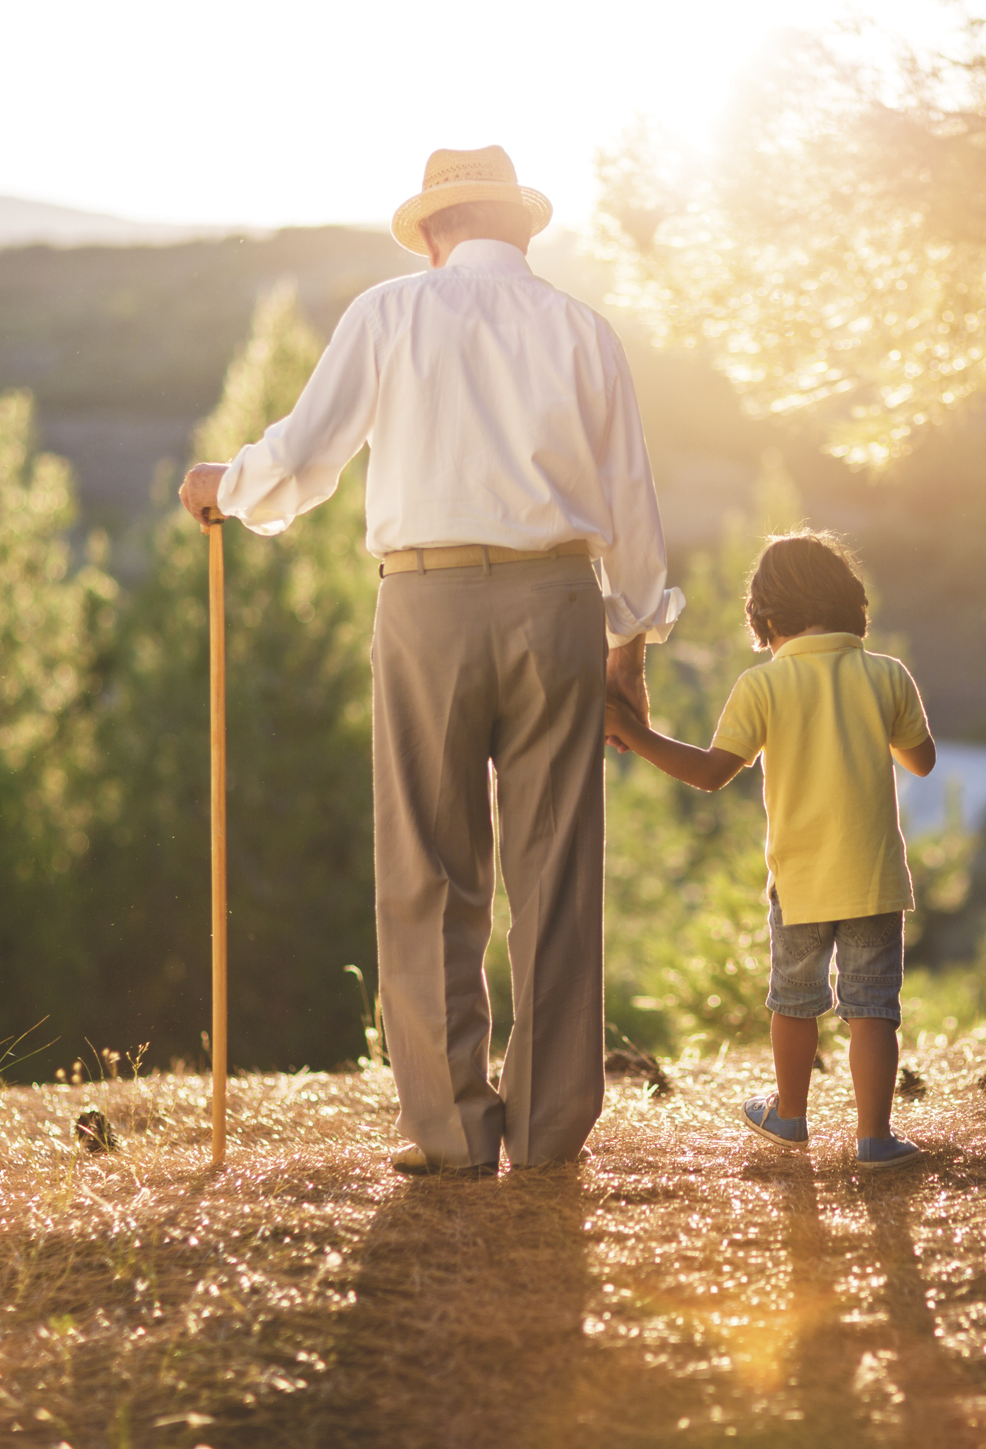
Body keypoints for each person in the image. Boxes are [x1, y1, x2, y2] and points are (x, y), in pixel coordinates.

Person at [177, 146, 683, 1177]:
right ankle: (546, 1134)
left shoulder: (389, 313)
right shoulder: (585, 331)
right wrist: (628, 649)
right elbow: (631, 501)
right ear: (520, 228)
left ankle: (451, 1131)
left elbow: (307, 458)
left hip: (425, 602)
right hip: (559, 605)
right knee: (556, 871)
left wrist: (224, 484)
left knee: (427, 867)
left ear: (436, 231)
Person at [603, 531, 936, 1170]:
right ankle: (875, 1139)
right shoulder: (887, 674)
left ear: (767, 619)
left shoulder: (763, 686)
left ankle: (789, 1114)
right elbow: (920, 762)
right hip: (873, 878)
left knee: (794, 1000)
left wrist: (632, 732)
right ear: (849, 607)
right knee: (872, 1007)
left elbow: (709, 774)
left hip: (802, 880)